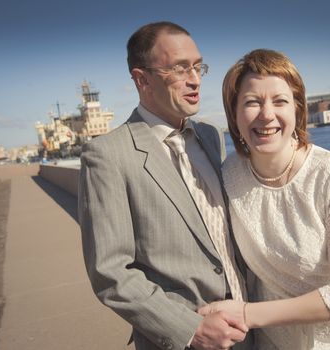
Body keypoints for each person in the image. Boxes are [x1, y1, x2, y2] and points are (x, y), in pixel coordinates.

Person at [199, 49, 330, 349]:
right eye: (251, 102)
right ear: (234, 116)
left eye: (280, 101)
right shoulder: (229, 175)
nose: (267, 114)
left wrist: (248, 314)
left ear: (298, 110)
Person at [78, 22, 250, 350]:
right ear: (142, 79)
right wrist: (191, 330)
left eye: (198, 66)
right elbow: (110, 272)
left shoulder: (211, 136)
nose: (195, 79)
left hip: (247, 328)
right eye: (179, 68)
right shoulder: (107, 154)